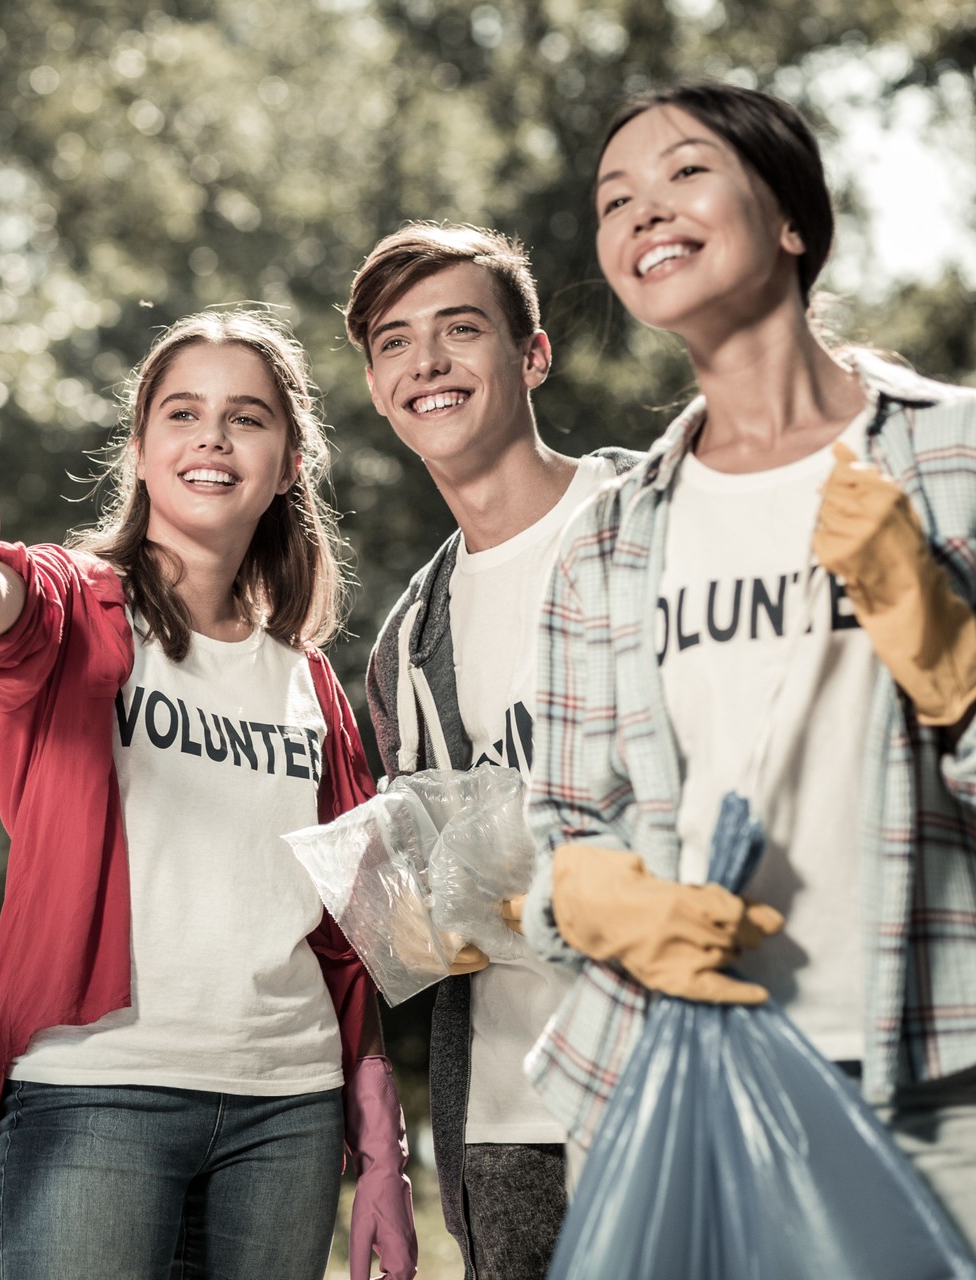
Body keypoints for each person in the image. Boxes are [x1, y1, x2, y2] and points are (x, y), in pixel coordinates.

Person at [520, 80, 976, 1277]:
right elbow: (557, 829)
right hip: (660, 1072)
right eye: (614, 199)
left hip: (922, 1068)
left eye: (683, 173)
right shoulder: (609, 535)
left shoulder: (957, 446)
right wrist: (590, 892)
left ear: (790, 220)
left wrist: (936, 636)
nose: (641, 212)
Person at [0, 310, 419, 1280]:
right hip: (96, 1095)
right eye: (183, 411)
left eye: (245, 417)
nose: (212, 435)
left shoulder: (315, 685)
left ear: (290, 460)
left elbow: (351, 934)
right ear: (141, 446)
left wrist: (381, 1142)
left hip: (289, 1112)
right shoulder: (76, 608)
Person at [344, 222, 639, 1279]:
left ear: (533, 355)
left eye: (459, 330)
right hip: (509, 1120)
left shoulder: (652, 525)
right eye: (394, 343)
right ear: (378, 387)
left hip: (677, 1077)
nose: (426, 362)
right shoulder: (403, 646)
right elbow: (433, 926)